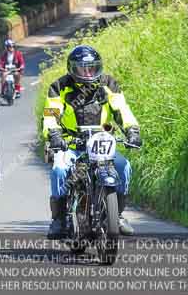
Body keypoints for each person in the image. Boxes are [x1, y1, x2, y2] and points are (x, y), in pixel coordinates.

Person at [42, 45, 142, 238]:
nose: (88, 72)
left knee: (124, 166)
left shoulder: (108, 84)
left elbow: (122, 110)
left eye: (92, 67)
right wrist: (54, 135)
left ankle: (118, 215)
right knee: (59, 170)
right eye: (83, 68)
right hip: (71, 144)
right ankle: (59, 219)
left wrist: (133, 131)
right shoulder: (58, 87)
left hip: (101, 144)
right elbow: (50, 114)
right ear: (72, 68)